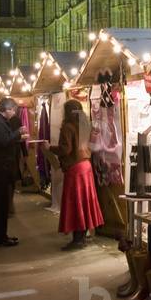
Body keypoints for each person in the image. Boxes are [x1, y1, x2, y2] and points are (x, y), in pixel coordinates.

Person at [47, 98, 103, 250]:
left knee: (76, 203)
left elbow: (65, 149)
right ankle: (82, 236)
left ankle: (78, 240)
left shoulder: (68, 127)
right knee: (85, 202)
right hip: (86, 166)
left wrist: (50, 148)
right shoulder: (85, 125)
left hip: (75, 169)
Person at [0, 98, 28, 247]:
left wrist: (17, 137)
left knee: (2, 204)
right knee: (0, 205)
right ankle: (0, 238)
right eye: (13, 110)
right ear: (7, 109)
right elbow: (3, 141)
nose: (14, 114)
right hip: (0, 169)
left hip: (1, 168)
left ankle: (2, 236)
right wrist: (18, 132)